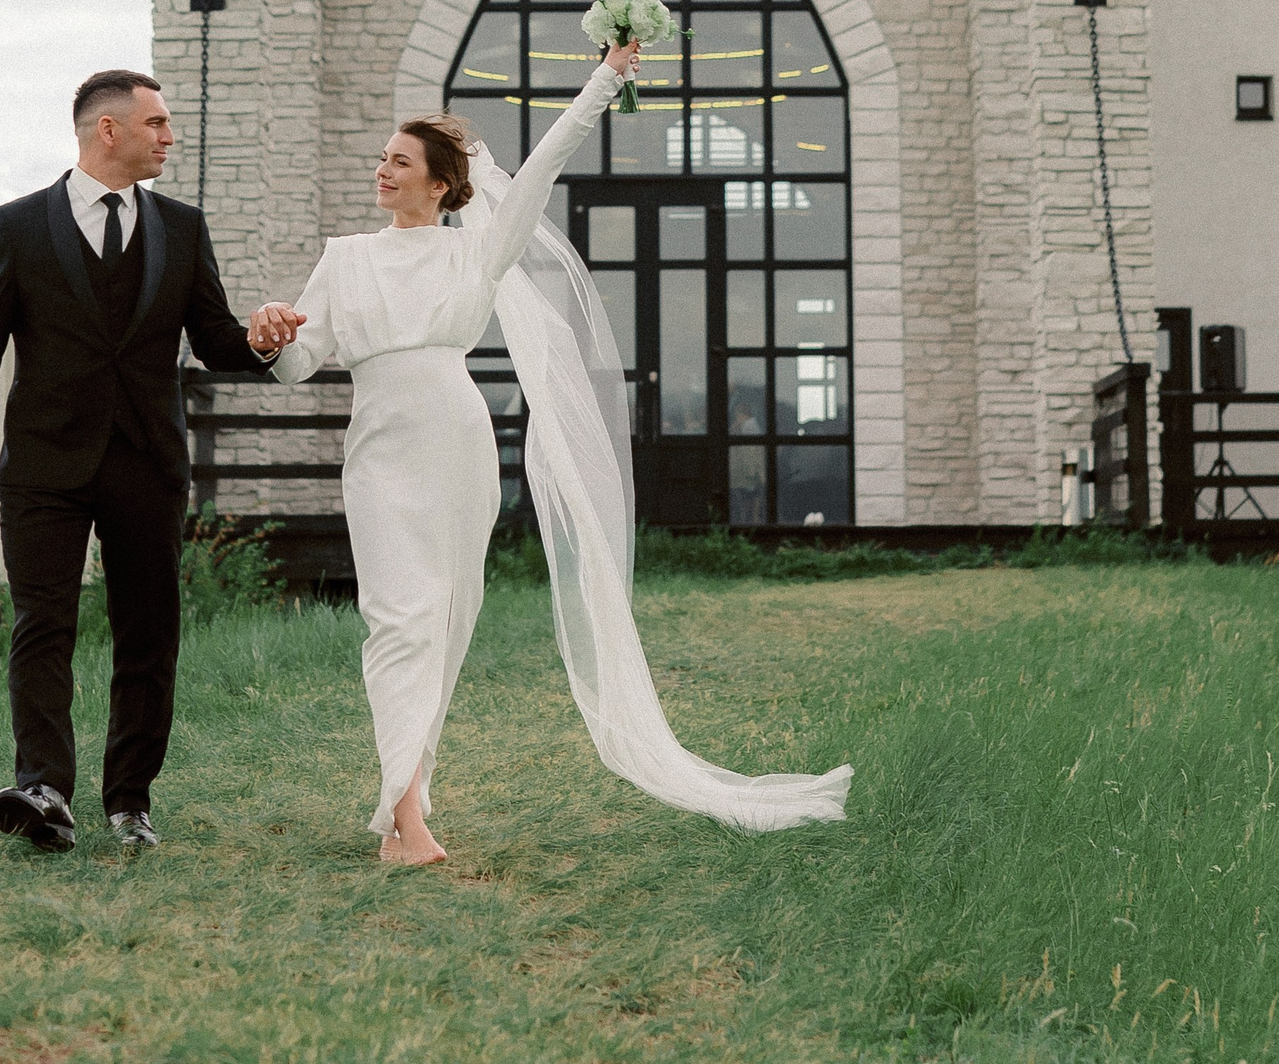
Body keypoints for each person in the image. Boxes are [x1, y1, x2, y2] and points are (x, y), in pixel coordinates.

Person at [252, 43, 852, 863]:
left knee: (447, 620)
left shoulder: (477, 250)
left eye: (399, 161)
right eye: (382, 158)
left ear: (441, 183)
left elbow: (545, 163)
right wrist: (270, 331)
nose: (382, 170)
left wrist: (605, 77)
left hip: (457, 446)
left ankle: (407, 800)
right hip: (381, 453)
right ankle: (405, 819)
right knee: (398, 618)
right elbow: (295, 363)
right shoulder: (344, 258)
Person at [0, 68, 300, 852]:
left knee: (148, 633)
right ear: (109, 129)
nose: (169, 136)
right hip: (42, 463)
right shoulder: (18, 225)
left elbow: (215, 339)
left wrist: (262, 338)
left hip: (147, 460)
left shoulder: (183, 227)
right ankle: (44, 789)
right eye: (156, 123)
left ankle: (130, 801)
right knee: (42, 625)